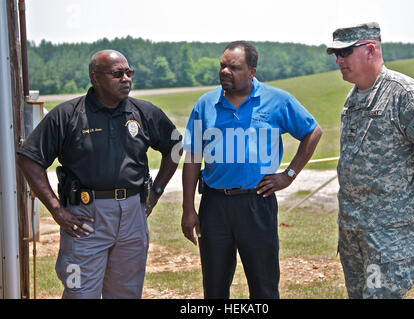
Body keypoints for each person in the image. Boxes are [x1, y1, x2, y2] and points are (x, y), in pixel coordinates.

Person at [17, 50, 181, 298]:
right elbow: (28, 159)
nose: (126, 79)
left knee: (126, 293)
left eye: (129, 72)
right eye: (117, 74)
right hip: (85, 219)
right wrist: (56, 210)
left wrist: (156, 193)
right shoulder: (68, 115)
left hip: (133, 216)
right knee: (80, 292)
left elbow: (176, 149)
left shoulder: (144, 112)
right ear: (95, 78)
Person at [181, 41, 322, 299]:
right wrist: (188, 208)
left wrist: (288, 176)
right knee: (214, 287)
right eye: (222, 65)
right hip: (214, 205)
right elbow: (192, 157)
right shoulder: (205, 104)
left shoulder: (276, 100)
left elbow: (312, 131)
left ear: (251, 72)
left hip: (257, 202)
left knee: (264, 286)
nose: (225, 71)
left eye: (233, 67)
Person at [326, 22, 414, 299]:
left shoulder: (404, 94)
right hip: (354, 226)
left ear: (370, 50)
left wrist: (409, 186)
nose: (339, 60)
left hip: (388, 230)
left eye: (345, 52)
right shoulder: (354, 96)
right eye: (335, 54)